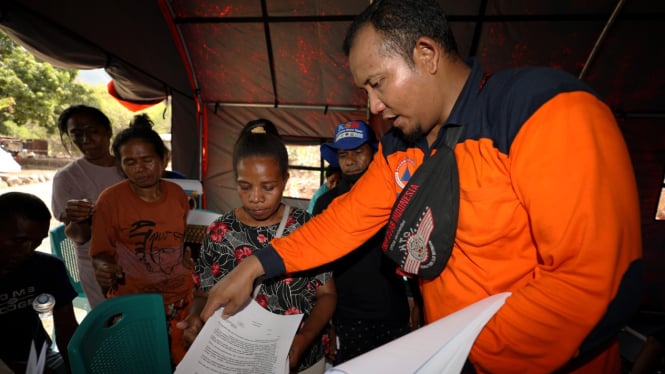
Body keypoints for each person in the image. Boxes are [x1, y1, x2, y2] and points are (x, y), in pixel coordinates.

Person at [200, 0, 644, 372]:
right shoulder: (402, 146)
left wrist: (458, 350)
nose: (375, 107)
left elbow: (594, 282)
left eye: (377, 83)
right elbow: (345, 221)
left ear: (426, 54)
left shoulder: (540, 112)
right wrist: (256, 266)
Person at [178, 119, 336, 373]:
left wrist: (304, 339)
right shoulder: (220, 232)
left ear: (285, 180)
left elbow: (327, 295)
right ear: (235, 181)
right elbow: (203, 293)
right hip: (238, 358)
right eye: (245, 186)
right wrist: (196, 317)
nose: (256, 197)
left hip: (302, 356)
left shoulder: (306, 227)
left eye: (268, 187)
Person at [89, 113, 193, 366]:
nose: (140, 168)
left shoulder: (177, 194)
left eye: (147, 160)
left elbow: (182, 242)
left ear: (163, 159)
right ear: (120, 165)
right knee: (142, 362)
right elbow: (100, 252)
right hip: (134, 300)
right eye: (130, 162)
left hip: (179, 298)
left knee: (183, 361)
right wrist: (104, 268)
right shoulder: (110, 200)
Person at [313, 119, 418, 364]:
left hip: (392, 309)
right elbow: (318, 266)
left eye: (359, 152)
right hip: (345, 314)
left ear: (373, 152)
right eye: (343, 154)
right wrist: (325, 319)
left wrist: (415, 297)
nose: (350, 160)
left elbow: (411, 251)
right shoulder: (325, 204)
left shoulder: (395, 198)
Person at [51, 105, 125, 309]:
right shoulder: (67, 177)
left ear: (108, 131)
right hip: (98, 267)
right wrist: (79, 219)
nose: (85, 140)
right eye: (76, 134)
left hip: (141, 258)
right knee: (113, 323)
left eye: (93, 131)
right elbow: (79, 236)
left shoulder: (129, 166)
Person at [0, 192, 79, 374]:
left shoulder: (48, 267)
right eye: (20, 241)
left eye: (37, 242)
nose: (28, 250)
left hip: (38, 357)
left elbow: (67, 329)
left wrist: (77, 366)